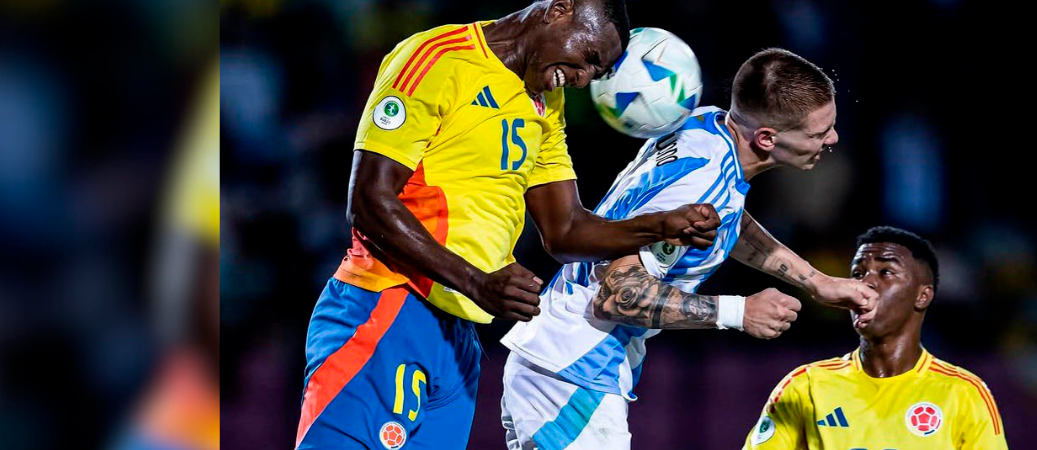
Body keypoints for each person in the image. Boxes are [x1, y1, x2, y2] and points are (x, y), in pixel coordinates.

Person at [294, 1, 723, 449]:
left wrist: (658, 227)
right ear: (559, 9)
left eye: (596, 74)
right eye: (588, 58)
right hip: (387, 306)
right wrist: (476, 281)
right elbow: (369, 201)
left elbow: (565, 229)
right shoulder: (437, 58)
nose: (583, 79)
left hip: (459, 336)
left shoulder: (546, 102)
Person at [499, 48, 878, 450]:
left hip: (558, 363)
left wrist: (815, 281)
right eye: (819, 133)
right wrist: (739, 312)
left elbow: (729, 218)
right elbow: (617, 294)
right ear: (767, 138)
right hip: (574, 373)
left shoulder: (707, 126)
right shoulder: (699, 187)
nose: (832, 139)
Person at [744, 226, 1008, 450]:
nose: (865, 283)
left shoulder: (964, 394)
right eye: (858, 274)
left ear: (922, 296)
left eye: (886, 272)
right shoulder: (806, 386)